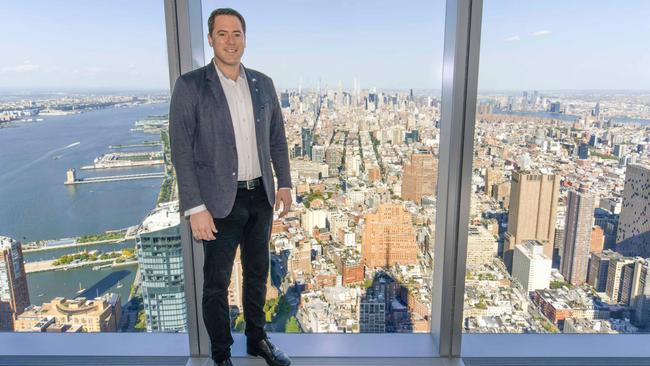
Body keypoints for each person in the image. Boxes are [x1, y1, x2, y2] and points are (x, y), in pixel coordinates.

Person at [169, 8, 292, 366]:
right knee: (215, 285)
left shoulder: (263, 84)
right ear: (210, 39)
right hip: (218, 202)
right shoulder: (191, 86)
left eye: (236, 33)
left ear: (245, 38)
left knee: (258, 274)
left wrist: (284, 183)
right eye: (222, 33)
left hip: (260, 196)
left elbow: (278, 140)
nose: (230, 40)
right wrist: (195, 208)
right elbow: (181, 150)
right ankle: (221, 356)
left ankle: (257, 341)